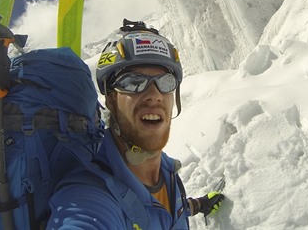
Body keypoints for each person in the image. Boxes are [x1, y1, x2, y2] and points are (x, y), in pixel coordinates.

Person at [47, 19, 225, 230]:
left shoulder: (166, 171)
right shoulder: (89, 194)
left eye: (165, 82)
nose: (154, 95)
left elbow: (164, 211)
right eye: (133, 82)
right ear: (111, 99)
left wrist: (197, 205)